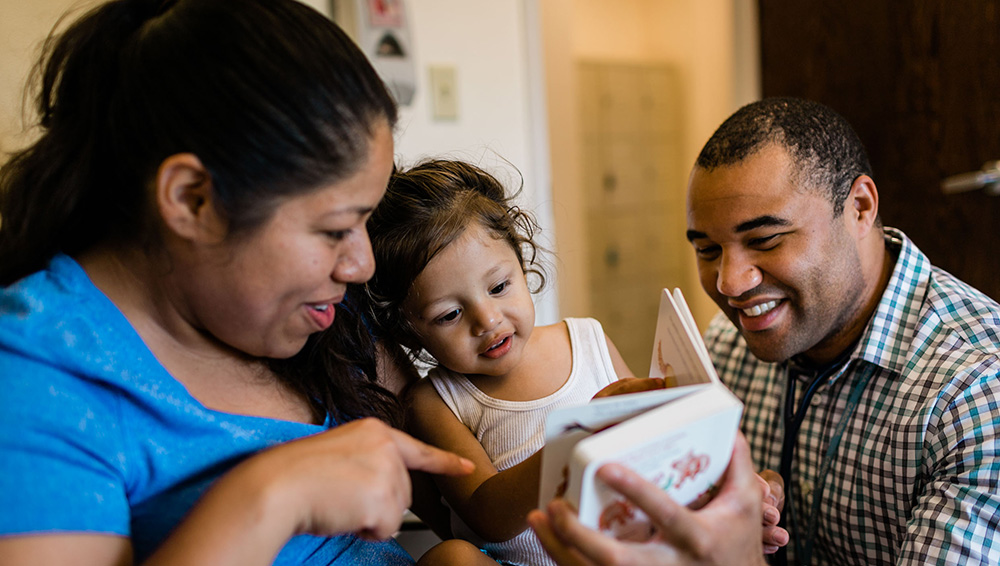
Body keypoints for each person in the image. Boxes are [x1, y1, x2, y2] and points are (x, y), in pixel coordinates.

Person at [0, 1, 476, 564]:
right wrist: (270, 497)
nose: (360, 266)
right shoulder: (36, 379)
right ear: (191, 200)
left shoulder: (321, 320)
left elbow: (476, 493)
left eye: (366, 222)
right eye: (333, 229)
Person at [529, 97, 1000, 566]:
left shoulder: (978, 391)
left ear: (859, 207)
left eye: (765, 241)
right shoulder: (727, 342)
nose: (729, 284)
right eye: (708, 249)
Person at [362, 159, 638, 565]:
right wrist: (573, 444)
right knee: (453, 558)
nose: (488, 320)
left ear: (522, 263)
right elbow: (488, 517)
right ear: (408, 332)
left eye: (498, 286)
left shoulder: (587, 340)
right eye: (449, 315)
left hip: (626, 551)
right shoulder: (436, 401)